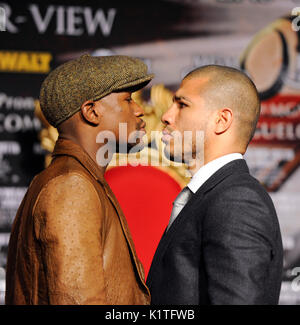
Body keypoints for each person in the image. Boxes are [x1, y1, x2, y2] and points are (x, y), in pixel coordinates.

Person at [5, 54, 154, 305]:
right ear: (91, 111)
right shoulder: (72, 187)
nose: (139, 109)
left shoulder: (80, 179)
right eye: (127, 100)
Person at [146, 65, 283, 305]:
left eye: (182, 104)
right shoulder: (217, 194)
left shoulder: (237, 201)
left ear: (221, 120)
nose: (166, 115)